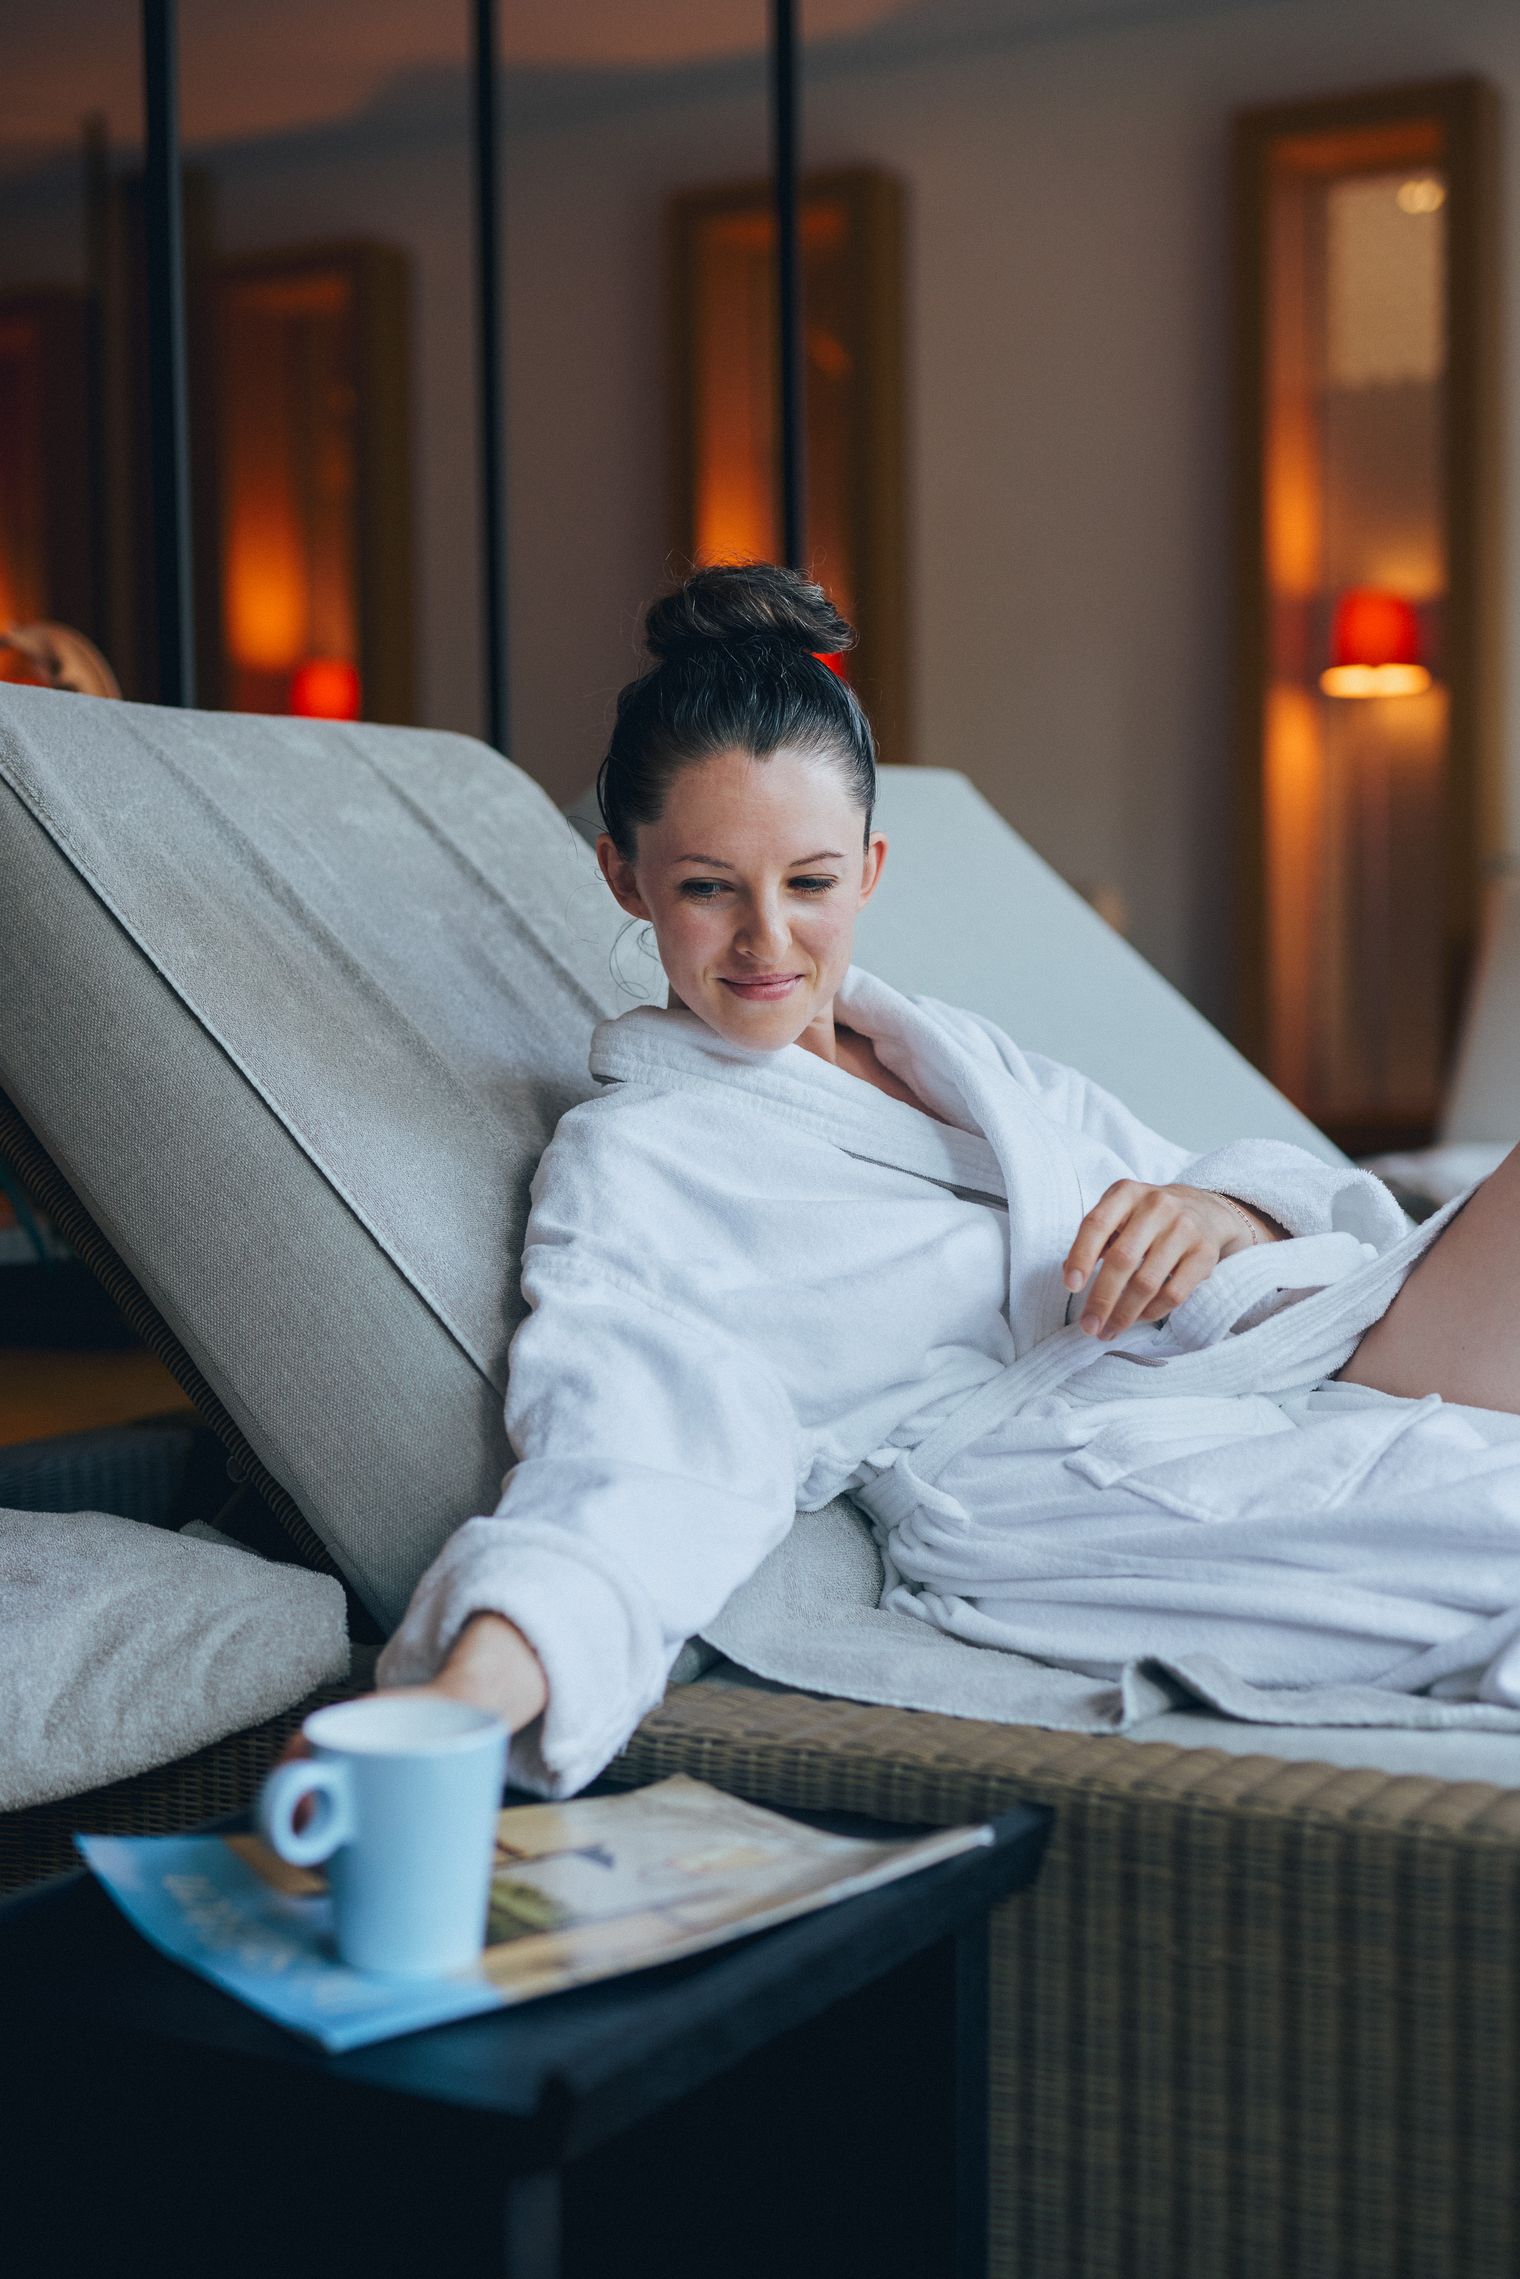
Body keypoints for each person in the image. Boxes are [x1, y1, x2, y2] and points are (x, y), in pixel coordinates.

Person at [376, 562, 1520, 1794]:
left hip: (1282, 1350)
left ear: (866, 869)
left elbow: (1206, 1179)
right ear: (624, 877)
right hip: (1106, 1486)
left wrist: (1220, 1206)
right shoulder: (638, 1164)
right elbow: (635, 1455)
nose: (768, 941)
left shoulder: (950, 1053)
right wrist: (467, 1691)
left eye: (808, 883)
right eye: (709, 889)